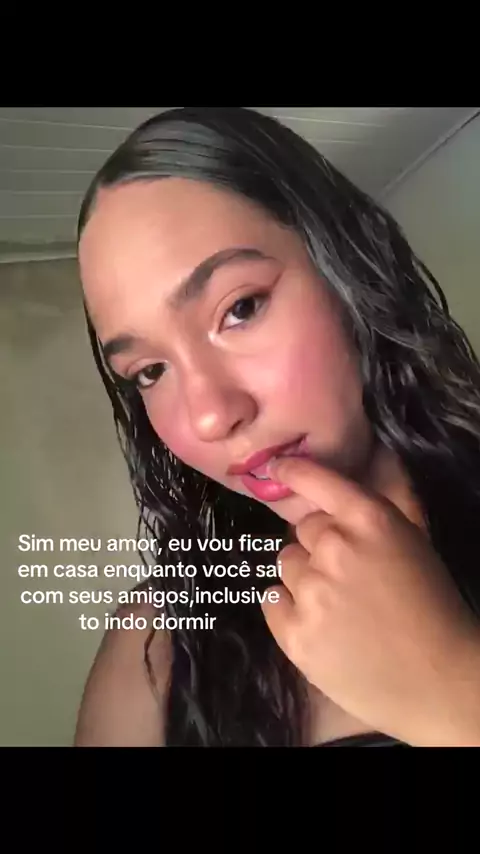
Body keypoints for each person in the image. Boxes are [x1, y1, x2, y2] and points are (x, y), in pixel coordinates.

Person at [74, 106, 480, 747]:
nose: (210, 415)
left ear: (348, 268)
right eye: (150, 371)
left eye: (240, 308)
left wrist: (453, 692)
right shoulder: (157, 647)